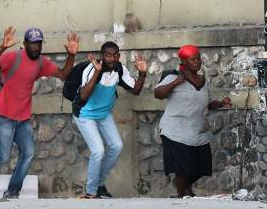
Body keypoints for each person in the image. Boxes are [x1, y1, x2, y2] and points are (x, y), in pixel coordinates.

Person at [0, 26, 79, 199]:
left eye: (38, 44)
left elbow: (63, 74)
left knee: (28, 154)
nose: (35, 47)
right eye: (32, 44)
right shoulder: (13, 57)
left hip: (23, 118)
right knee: (3, 157)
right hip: (4, 115)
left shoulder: (41, 63)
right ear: (25, 44)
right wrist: (3, 46)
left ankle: (13, 192)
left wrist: (71, 55)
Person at [153, 45, 231, 198]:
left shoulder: (202, 80)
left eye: (198, 58)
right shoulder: (173, 76)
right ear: (184, 61)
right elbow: (158, 94)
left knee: (202, 166)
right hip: (174, 131)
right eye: (192, 59)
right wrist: (176, 82)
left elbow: (206, 104)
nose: (197, 62)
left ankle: (183, 190)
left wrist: (221, 103)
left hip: (195, 131)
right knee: (183, 168)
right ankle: (183, 194)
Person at [73, 42, 147, 198]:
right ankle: (91, 192)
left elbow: (136, 90)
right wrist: (97, 73)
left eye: (115, 55)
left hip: (104, 114)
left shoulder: (119, 69)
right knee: (98, 151)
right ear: (102, 56)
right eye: (108, 55)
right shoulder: (91, 69)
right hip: (85, 114)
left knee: (116, 146)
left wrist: (142, 74)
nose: (112, 58)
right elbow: (84, 95)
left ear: (118, 56)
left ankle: (99, 185)